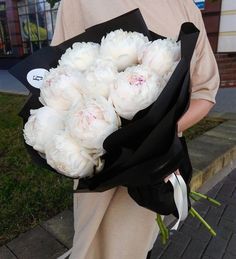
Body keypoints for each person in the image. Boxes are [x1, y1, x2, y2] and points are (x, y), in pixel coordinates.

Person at [51, 1, 220, 258]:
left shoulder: (184, 6)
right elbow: (59, 73)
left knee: (139, 242)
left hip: (154, 162)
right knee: (93, 244)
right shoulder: (76, 2)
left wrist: (157, 134)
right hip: (99, 159)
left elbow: (205, 92)